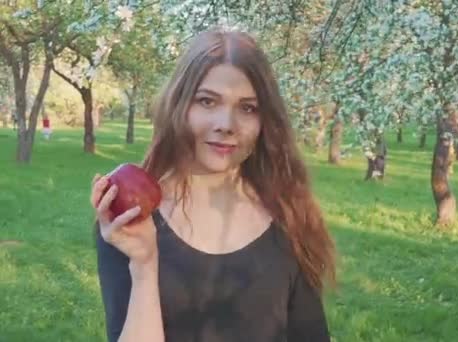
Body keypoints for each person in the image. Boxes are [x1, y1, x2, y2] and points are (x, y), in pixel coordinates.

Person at [90, 29, 337, 342]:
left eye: (247, 107)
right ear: (178, 106)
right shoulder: (129, 220)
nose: (226, 124)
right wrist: (144, 266)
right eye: (207, 101)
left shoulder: (289, 216)